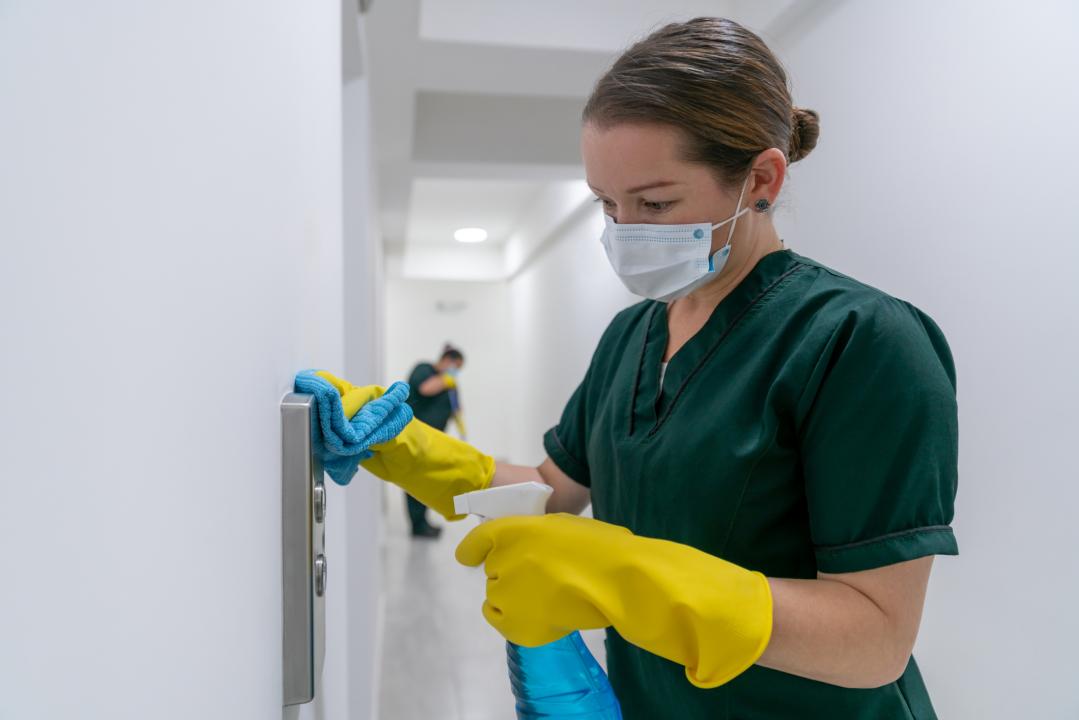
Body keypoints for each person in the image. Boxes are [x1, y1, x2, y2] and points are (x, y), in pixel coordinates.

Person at [322, 16, 958, 720]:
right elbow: (551, 490)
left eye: (655, 203)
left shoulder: (859, 341)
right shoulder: (632, 336)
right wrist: (401, 445)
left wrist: (623, 575)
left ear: (761, 180)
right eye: (606, 204)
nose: (623, 231)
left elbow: (874, 638)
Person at [401, 345, 465, 538]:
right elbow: (425, 388)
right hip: (416, 437)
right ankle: (417, 525)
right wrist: (447, 379)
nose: (456, 371)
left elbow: (455, 406)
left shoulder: (449, 382)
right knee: (415, 480)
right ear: (447, 360)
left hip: (433, 440)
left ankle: (423, 521)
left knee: (426, 481)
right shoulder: (423, 369)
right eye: (456, 366)